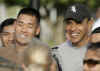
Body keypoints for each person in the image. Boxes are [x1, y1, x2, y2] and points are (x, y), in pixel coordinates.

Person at [52, 3, 93, 71]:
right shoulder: (57, 54)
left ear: (90, 24)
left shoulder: (97, 49)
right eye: (69, 23)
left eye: (78, 22)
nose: (73, 28)